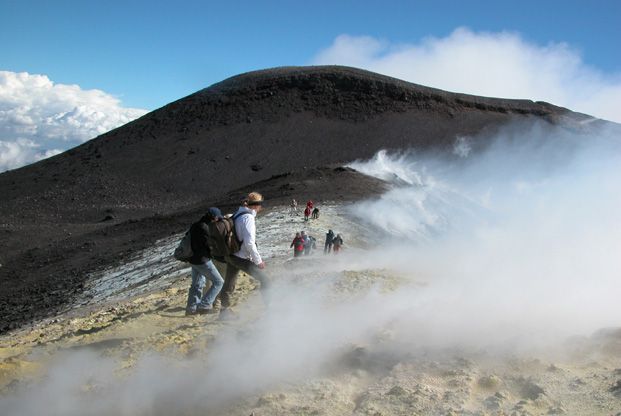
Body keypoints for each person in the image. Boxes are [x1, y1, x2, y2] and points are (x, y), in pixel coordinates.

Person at [219, 192, 270, 317]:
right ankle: (271, 309)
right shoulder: (248, 218)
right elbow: (249, 243)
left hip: (231, 254)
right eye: (260, 205)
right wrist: (258, 261)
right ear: (256, 205)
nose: (261, 208)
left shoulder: (237, 213)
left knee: (229, 282)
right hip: (240, 257)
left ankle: (224, 312)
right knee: (266, 280)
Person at [186, 207, 225, 316]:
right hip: (203, 261)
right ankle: (204, 305)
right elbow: (209, 245)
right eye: (218, 218)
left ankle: (191, 309)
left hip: (192, 259)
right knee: (219, 282)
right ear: (214, 218)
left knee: (196, 284)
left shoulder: (195, 225)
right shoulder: (205, 228)